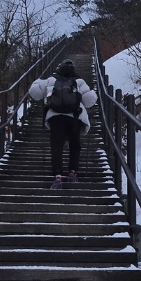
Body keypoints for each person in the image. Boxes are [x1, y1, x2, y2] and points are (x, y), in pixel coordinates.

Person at [28, 58, 98, 189]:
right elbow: (89, 101)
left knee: (56, 146)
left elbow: (34, 93)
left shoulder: (51, 80)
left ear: (60, 67)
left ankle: (58, 176)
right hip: (75, 117)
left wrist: (38, 81)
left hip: (55, 117)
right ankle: (72, 172)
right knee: (75, 146)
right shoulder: (79, 81)